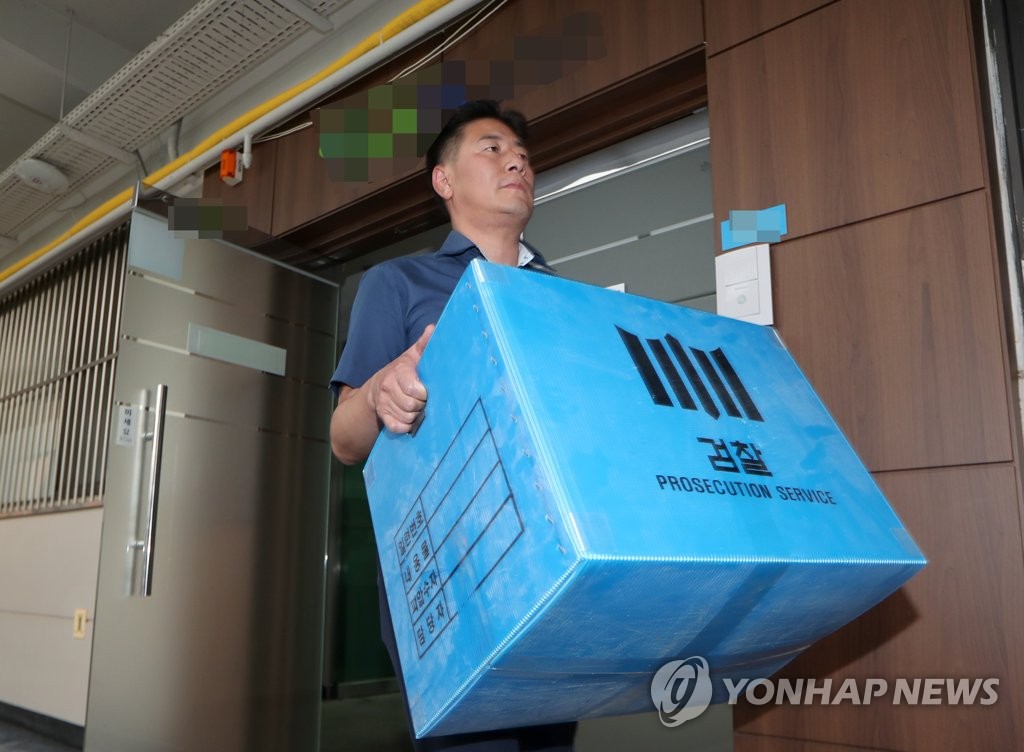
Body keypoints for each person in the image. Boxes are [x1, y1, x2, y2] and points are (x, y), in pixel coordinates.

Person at [329, 100, 576, 750]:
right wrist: (379, 390)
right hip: (452, 583)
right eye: (492, 148)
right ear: (443, 180)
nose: (517, 160)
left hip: (554, 573)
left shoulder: (563, 298)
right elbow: (344, 441)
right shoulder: (398, 283)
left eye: (522, 153)